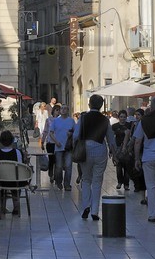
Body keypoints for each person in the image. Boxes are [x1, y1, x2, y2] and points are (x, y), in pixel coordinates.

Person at [76, 94, 112, 222]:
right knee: (97, 181)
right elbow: (110, 138)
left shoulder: (83, 118)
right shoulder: (105, 120)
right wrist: (113, 151)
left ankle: (86, 206)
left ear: (89, 104)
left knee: (86, 179)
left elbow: (75, 135)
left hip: (85, 150)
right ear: (101, 105)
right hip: (100, 150)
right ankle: (95, 211)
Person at [46, 105, 78, 191]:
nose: (63, 110)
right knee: (59, 166)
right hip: (58, 147)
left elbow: (76, 132)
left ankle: (67, 184)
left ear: (68, 110)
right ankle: (59, 182)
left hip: (68, 147)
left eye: (65, 108)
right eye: (62, 108)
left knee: (68, 166)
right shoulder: (56, 121)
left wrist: (71, 134)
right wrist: (56, 142)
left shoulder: (71, 121)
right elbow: (51, 133)